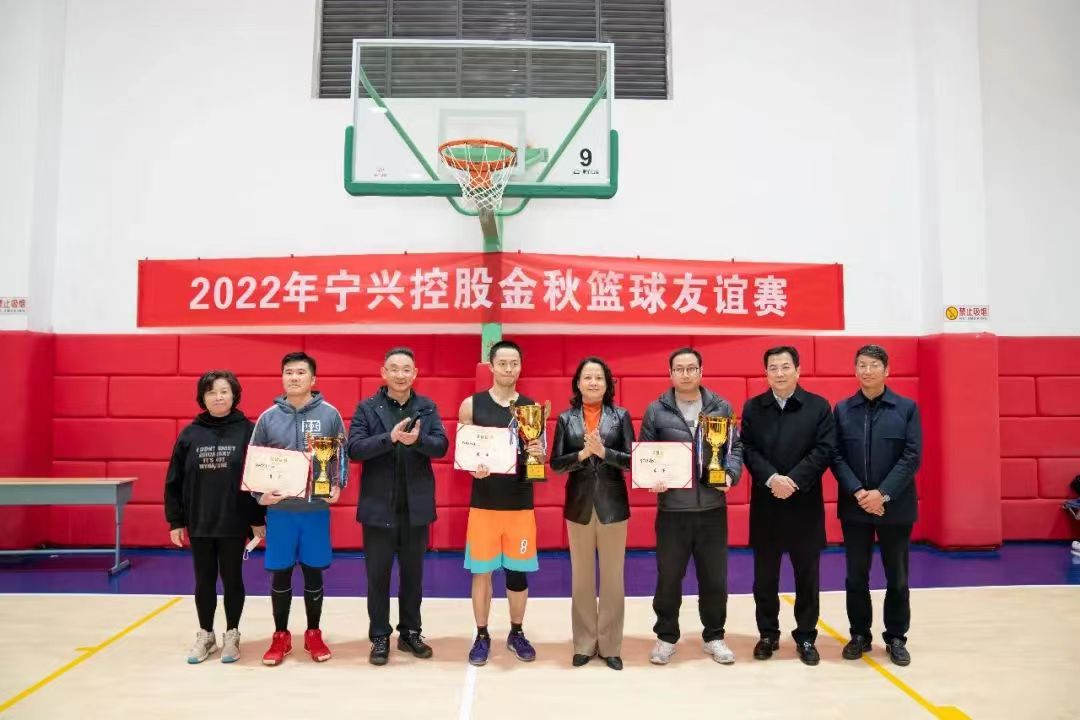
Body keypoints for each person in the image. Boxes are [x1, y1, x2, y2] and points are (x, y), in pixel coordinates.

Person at [639, 347, 744, 666]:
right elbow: (647, 452)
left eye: (691, 368)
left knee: (715, 579)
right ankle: (666, 637)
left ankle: (714, 636)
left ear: (701, 371)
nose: (685, 374)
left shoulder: (720, 406)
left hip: (712, 509)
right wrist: (651, 478)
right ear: (670, 373)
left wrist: (730, 474)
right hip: (672, 510)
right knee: (669, 578)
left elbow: (735, 447)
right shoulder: (656, 409)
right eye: (679, 369)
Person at [347, 346, 449, 665]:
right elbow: (354, 449)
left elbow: (441, 446)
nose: (400, 375)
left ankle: (410, 633)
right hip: (378, 508)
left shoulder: (427, 407)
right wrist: (388, 438)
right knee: (377, 577)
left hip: (415, 508)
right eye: (394, 368)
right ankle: (379, 636)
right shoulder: (367, 408)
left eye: (407, 369)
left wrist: (417, 441)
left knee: (413, 577)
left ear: (415, 373)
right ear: (384, 373)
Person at [250, 351, 348, 666]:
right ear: (282, 377)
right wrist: (260, 495)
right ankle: (280, 635)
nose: (294, 377)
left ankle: (313, 632)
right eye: (289, 372)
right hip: (281, 512)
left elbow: (341, 455)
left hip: (315, 510)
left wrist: (337, 486)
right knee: (280, 573)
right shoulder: (267, 418)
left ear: (313, 379)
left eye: (301, 372)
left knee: (313, 571)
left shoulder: (330, 414)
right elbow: (255, 460)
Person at [741, 345, 836, 666]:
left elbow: (824, 450)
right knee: (764, 577)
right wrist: (772, 479)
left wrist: (792, 480)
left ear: (798, 370)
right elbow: (748, 449)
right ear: (765, 372)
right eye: (773, 368)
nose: (779, 373)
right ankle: (767, 634)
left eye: (785, 367)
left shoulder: (818, 407)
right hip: (766, 503)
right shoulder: (753, 407)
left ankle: (806, 636)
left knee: (807, 576)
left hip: (804, 503)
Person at [164, 370, 265, 664]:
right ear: (202, 398)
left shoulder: (249, 431)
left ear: (234, 395)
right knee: (204, 581)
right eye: (211, 392)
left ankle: (232, 634)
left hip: (234, 521)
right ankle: (206, 634)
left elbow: (257, 478)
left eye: (224, 391)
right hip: (200, 521)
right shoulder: (189, 434)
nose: (218, 397)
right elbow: (174, 480)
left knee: (233, 579)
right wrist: (176, 521)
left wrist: (257, 519)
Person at [832, 344, 922, 666]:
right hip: (855, 506)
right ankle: (860, 634)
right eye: (861, 365)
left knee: (897, 577)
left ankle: (896, 637)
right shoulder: (843, 410)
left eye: (873, 365)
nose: (867, 371)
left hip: (895, 507)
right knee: (856, 576)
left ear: (887, 370)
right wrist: (859, 492)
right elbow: (836, 455)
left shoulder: (906, 408)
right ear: (855, 369)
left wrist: (881, 494)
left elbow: (911, 456)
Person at [458, 339, 544, 666]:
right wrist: (472, 467)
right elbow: (464, 452)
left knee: (517, 574)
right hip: (484, 504)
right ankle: (481, 635)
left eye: (514, 363)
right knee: (481, 573)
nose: (509, 368)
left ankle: (516, 632)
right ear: (491, 366)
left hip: (520, 504)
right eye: (503, 363)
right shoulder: (472, 405)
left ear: (521, 367)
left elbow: (540, 459)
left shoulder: (532, 408)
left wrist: (538, 453)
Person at [550, 356, 635, 671]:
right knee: (582, 579)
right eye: (587, 377)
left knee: (613, 580)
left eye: (599, 377)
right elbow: (556, 464)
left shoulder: (620, 416)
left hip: (613, 507)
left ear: (607, 383)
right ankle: (584, 644)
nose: (593, 382)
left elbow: (632, 460)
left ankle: (611, 645)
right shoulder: (565, 418)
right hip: (579, 506)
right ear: (578, 383)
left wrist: (604, 452)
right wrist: (584, 454)